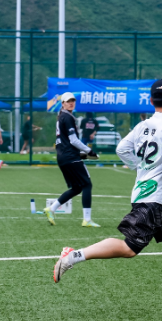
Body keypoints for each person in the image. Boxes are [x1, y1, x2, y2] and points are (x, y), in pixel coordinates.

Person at [53, 79, 162, 316]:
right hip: (154, 197)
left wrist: (141, 168)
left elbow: (122, 149)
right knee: (130, 248)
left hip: (155, 198)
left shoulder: (143, 125)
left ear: (151, 101)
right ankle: (73, 256)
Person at [45, 92, 99, 227]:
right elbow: (73, 140)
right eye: (68, 101)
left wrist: (83, 153)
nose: (71, 103)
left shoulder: (62, 117)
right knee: (87, 185)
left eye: (73, 101)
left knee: (77, 188)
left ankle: (51, 208)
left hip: (62, 157)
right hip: (70, 157)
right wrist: (89, 151)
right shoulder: (67, 117)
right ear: (63, 103)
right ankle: (87, 220)